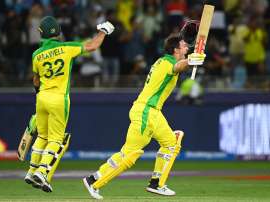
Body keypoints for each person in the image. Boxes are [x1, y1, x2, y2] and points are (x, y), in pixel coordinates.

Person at [83, 33, 206, 200]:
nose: (187, 47)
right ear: (176, 49)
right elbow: (178, 67)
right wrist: (192, 60)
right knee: (129, 155)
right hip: (146, 112)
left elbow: (180, 66)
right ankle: (93, 182)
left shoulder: (164, 61)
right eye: (184, 45)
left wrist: (191, 60)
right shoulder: (167, 63)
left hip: (152, 113)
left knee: (171, 143)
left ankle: (156, 183)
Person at [24, 16, 114, 193]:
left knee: (42, 136)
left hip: (42, 97)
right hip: (59, 98)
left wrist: (39, 95)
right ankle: (42, 172)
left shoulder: (36, 55)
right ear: (58, 32)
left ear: (41, 34)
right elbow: (92, 46)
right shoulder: (67, 48)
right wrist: (103, 32)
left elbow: (35, 80)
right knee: (56, 139)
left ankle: (31, 171)